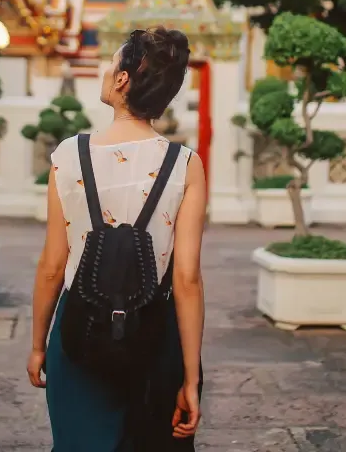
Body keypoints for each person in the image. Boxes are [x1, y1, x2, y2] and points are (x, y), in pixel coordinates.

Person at [28, 27, 208, 450]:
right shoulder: (185, 164)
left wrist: (38, 345)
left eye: (111, 65)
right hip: (153, 329)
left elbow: (53, 265)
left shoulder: (69, 156)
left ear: (123, 79)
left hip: (79, 329)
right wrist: (190, 377)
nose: (107, 72)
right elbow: (186, 279)